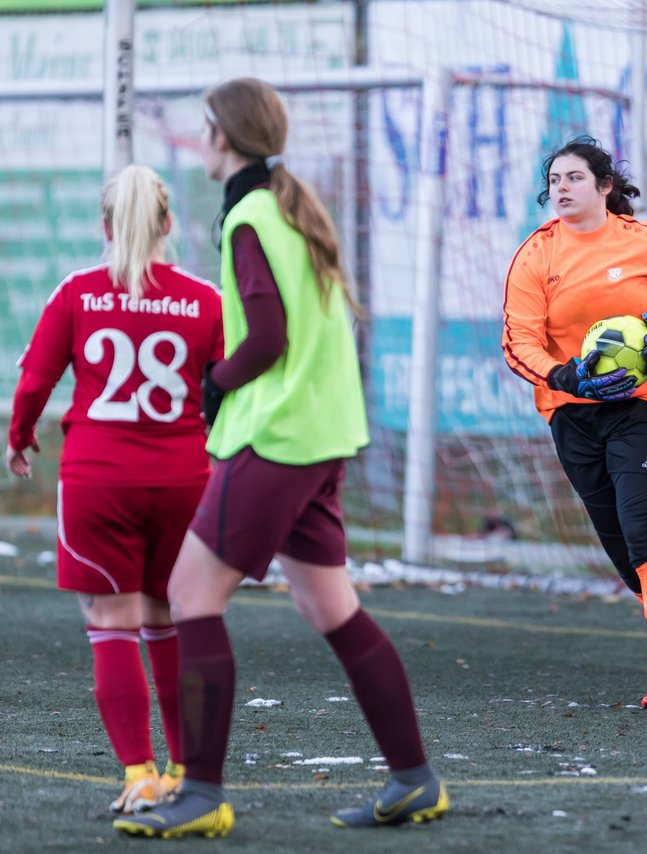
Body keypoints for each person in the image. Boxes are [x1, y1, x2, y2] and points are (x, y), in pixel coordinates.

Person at [113, 78, 446, 839]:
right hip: (322, 437)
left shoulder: (251, 215)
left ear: (222, 137)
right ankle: (416, 779)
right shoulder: (287, 205)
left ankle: (200, 793)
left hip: (278, 438)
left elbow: (266, 341)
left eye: (204, 129)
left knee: (189, 593)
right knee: (331, 607)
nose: (199, 141)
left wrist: (213, 384)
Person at [5, 165, 223, 816]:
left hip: (100, 481)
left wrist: (19, 437)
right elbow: (229, 389)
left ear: (105, 227)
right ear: (169, 224)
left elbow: (35, 383)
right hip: (185, 478)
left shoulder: (76, 293)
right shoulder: (205, 298)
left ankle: (140, 774)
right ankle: (187, 772)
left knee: (111, 623)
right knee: (169, 619)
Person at [502, 135, 647, 712]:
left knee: (644, 531)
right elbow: (518, 341)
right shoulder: (535, 255)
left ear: (604, 187)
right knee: (629, 561)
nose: (561, 189)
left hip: (645, 407)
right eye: (554, 181)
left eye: (574, 178)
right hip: (574, 414)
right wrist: (566, 377)